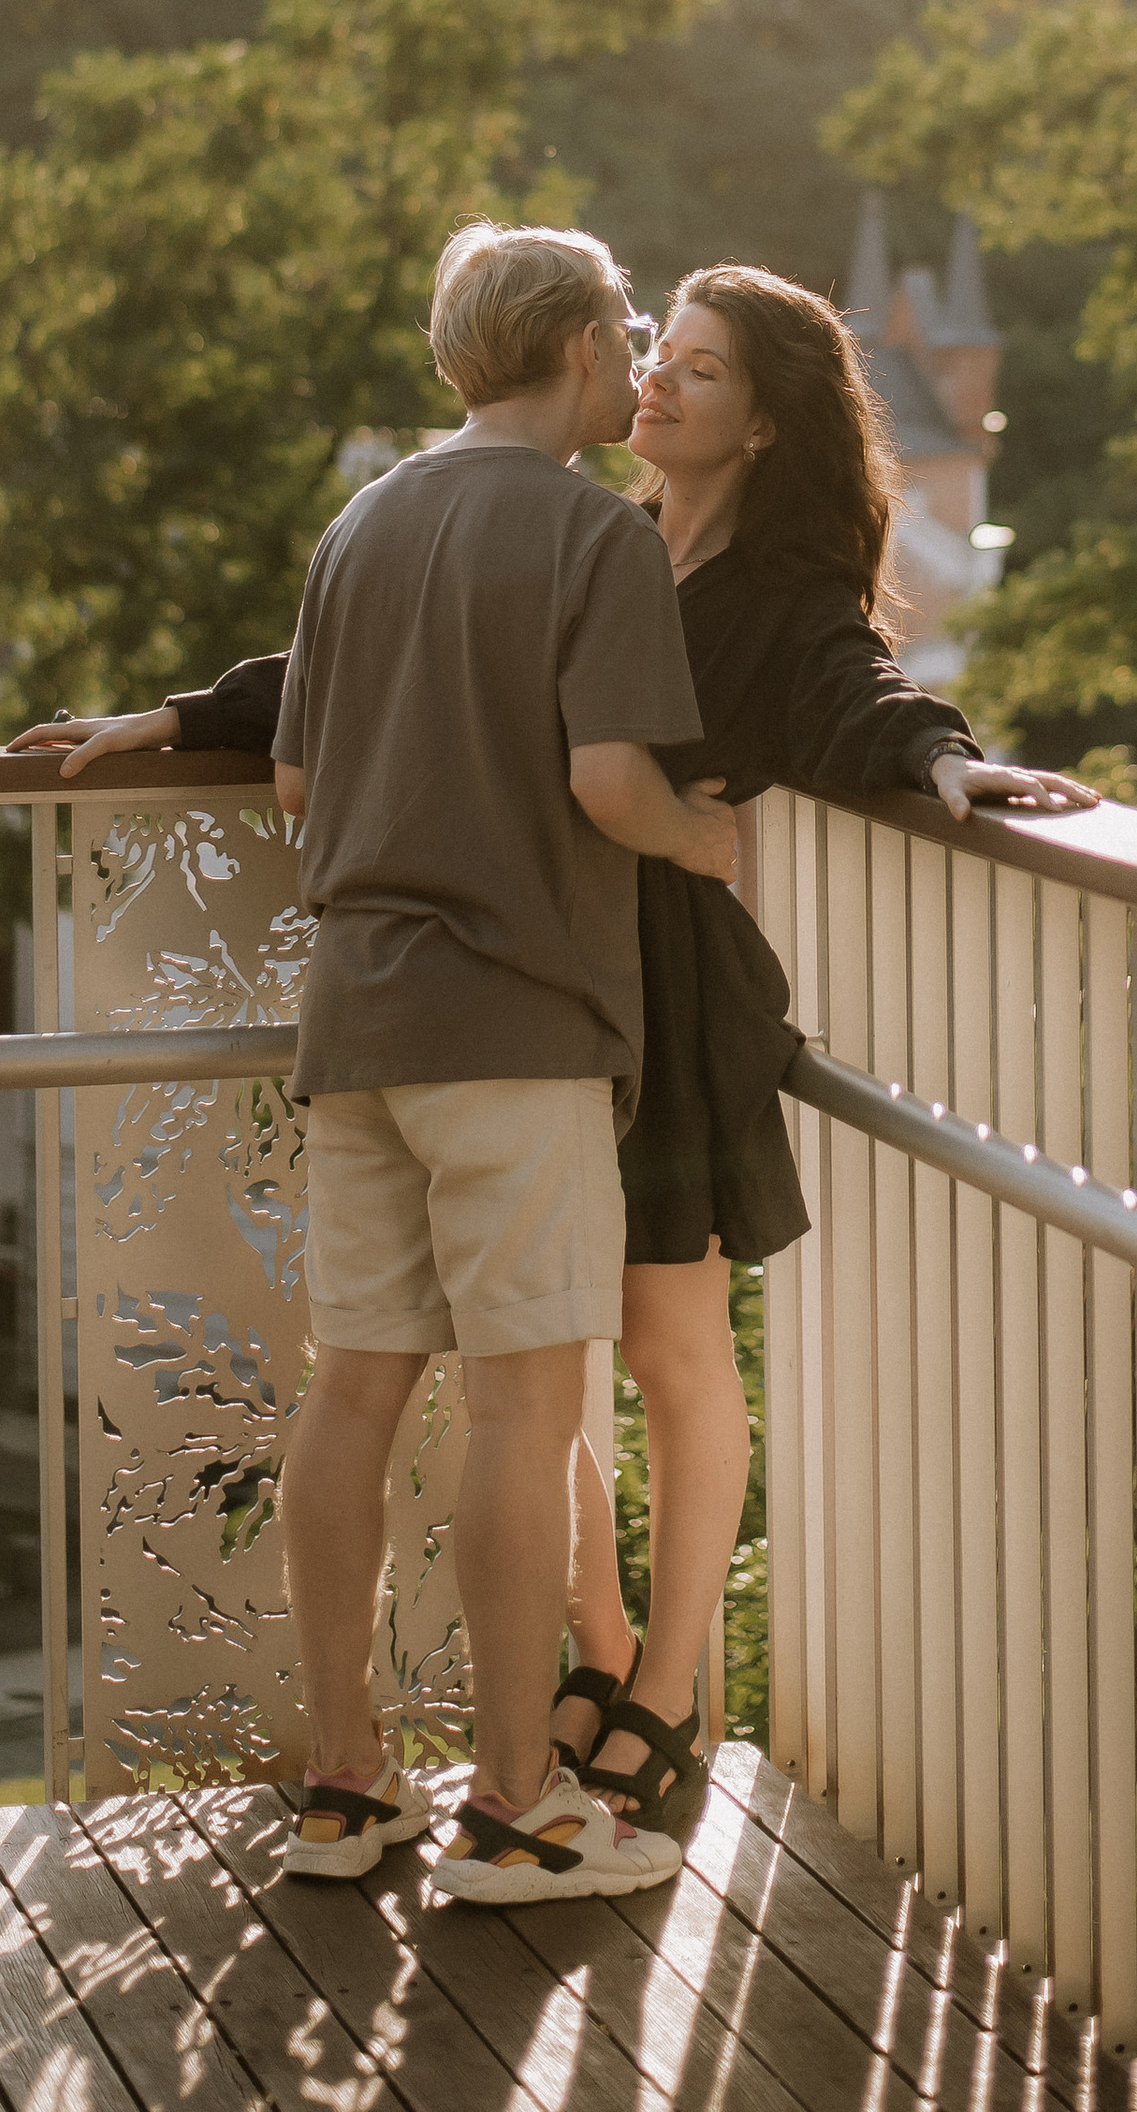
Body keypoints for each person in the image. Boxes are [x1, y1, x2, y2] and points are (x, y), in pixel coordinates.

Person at [17, 258, 1094, 1835]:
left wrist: (945, 759)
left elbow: (854, 686)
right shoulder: (599, 535)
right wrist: (183, 717)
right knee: (549, 1381)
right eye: (659, 351)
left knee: (651, 1349)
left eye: (704, 370)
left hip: (634, 982)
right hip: (544, 978)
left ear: (770, 425)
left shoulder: (722, 580)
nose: (660, 378)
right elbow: (389, 674)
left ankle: (655, 1683)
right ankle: (562, 1705)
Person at [223, 216, 735, 1906]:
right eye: (630, 326)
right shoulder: (596, 538)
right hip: (516, 1032)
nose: (641, 351)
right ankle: (517, 1806)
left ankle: (342, 1784)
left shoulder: (361, 522)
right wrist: (716, 841)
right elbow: (612, 782)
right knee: (526, 1403)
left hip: (358, 1020)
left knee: (355, 1386)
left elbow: (298, 789)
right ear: (580, 350)